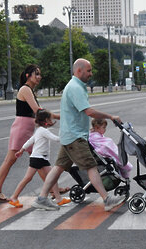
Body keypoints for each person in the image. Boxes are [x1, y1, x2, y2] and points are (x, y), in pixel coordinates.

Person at [32, 58, 126, 211]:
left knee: (58, 168)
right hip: (75, 137)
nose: (91, 73)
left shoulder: (75, 86)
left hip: (70, 135)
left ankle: (42, 198)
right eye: (88, 70)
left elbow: (73, 112)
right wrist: (110, 116)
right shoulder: (75, 87)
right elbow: (88, 111)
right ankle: (107, 199)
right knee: (91, 166)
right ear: (79, 71)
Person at [0, 64, 61, 202]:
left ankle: (53, 189)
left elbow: (38, 111)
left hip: (27, 128)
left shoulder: (30, 90)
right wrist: (58, 116)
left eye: (40, 74)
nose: (39, 77)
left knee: (39, 160)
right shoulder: (25, 89)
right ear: (28, 75)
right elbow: (38, 111)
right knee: (11, 160)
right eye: (37, 74)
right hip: (22, 128)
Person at [8, 109, 71, 208]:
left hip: (40, 158)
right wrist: (67, 137)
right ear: (46, 120)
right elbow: (55, 139)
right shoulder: (43, 131)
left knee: (49, 177)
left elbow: (30, 140)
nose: (52, 120)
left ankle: (58, 199)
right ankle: (14, 197)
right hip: (38, 158)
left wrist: (22, 149)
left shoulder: (39, 130)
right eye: (50, 118)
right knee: (30, 178)